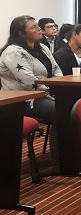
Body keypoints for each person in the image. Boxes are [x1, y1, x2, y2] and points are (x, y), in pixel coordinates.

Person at [0, 15, 63, 160]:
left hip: (43, 94)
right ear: (21, 34)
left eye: (38, 26)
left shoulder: (43, 48)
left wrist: (56, 83)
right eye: (33, 27)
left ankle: (68, 154)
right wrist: (51, 86)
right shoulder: (13, 52)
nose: (39, 29)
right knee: (61, 112)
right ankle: (59, 159)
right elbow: (28, 81)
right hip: (24, 100)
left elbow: (57, 69)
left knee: (71, 107)